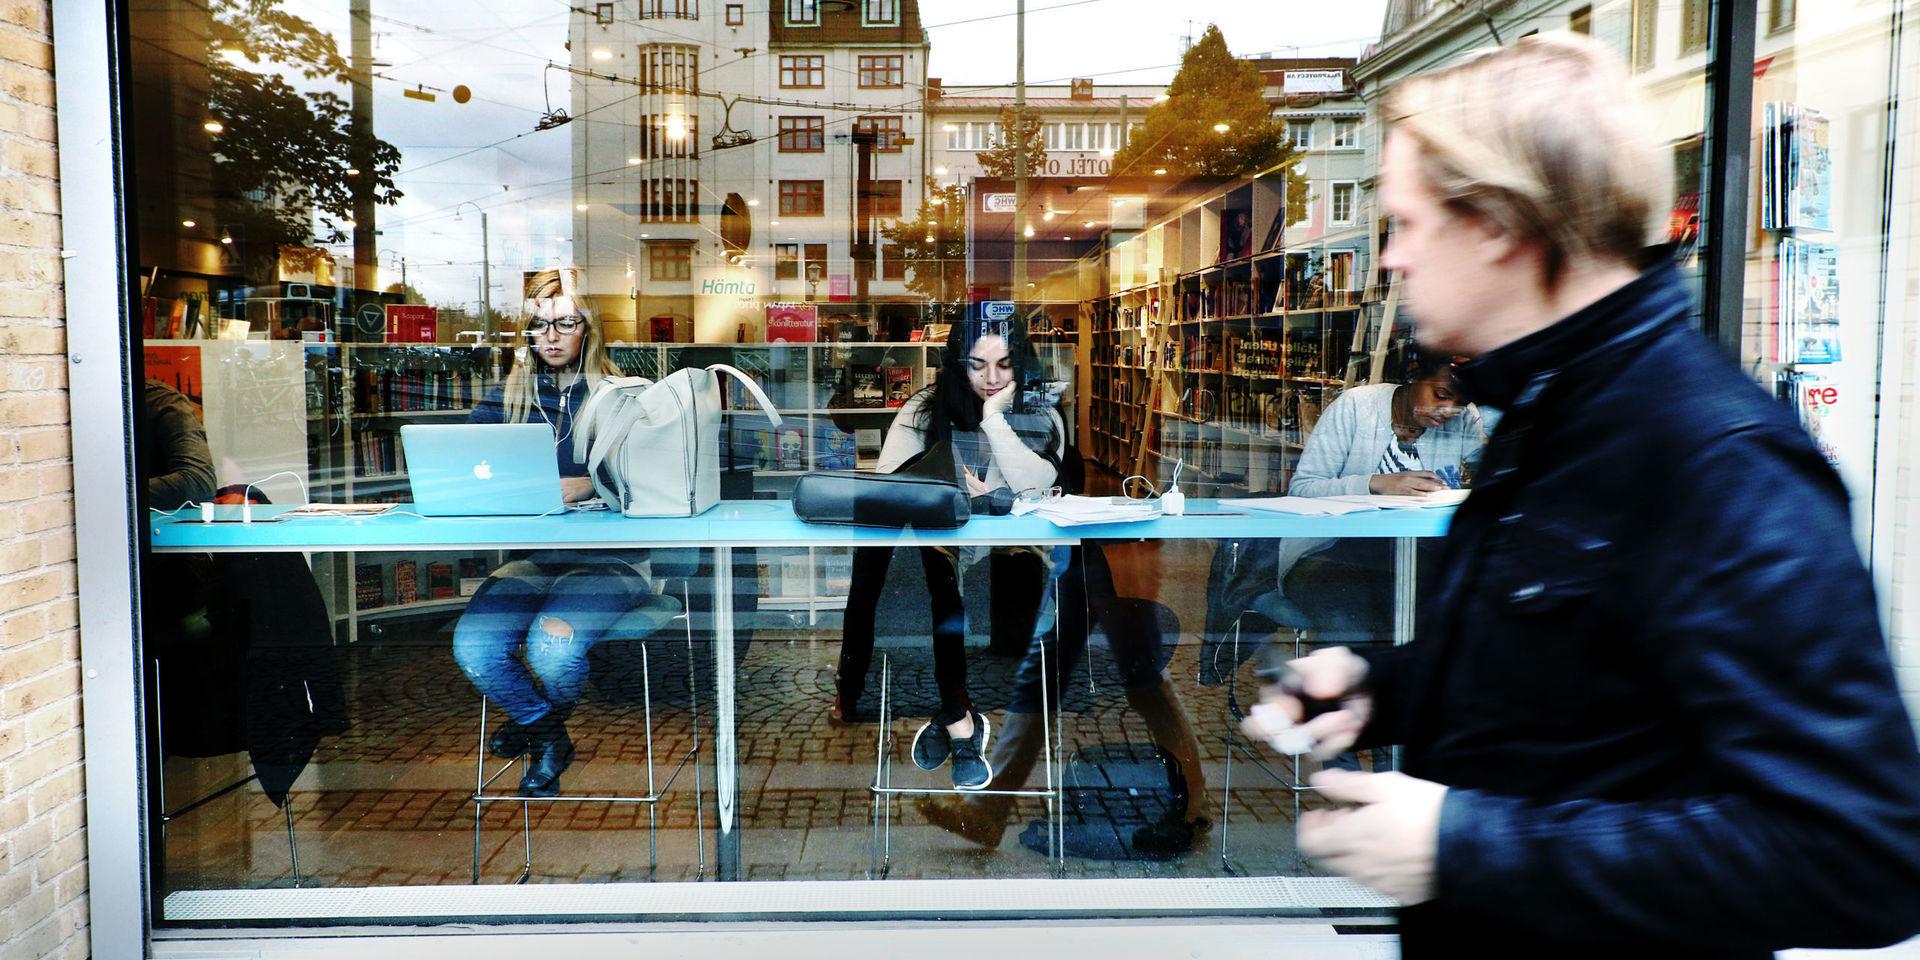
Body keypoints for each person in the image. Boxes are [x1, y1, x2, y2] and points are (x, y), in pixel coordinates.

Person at [1243, 33, 1920, 955]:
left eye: (1405, 224)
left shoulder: (1714, 456)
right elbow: (1578, 684)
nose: (1390, 259)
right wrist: (1380, 684)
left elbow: (1858, 855)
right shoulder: (1548, 411)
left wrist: (1463, 845)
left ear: (1494, 223)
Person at [834, 316, 1066, 790]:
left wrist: (994, 420)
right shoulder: (925, 407)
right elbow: (891, 484)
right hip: (937, 555)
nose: (992, 379)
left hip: (1009, 561)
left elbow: (1038, 486)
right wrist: (960, 489)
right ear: (958, 364)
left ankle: (950, 712)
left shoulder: (1039, 411)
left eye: (1005, 365)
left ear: (1021, 363)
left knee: (931, 564)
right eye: (978, 366)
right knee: (902, 546)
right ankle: (954, 710)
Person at [451, 270, 651, 798]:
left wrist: (592, 481)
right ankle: (548, 733)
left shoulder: (623, 396)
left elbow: (654, 480)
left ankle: (539, 730)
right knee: (474, 647)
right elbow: (462, 467)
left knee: (552, 650)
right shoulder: (508, 399)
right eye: (540, 326)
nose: (553, 337)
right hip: (532, 559)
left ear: (591, 328)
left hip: (612, 562)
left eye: (566, 323)